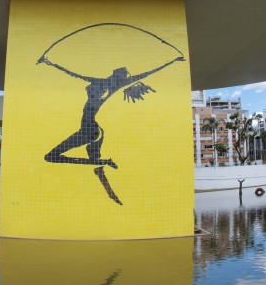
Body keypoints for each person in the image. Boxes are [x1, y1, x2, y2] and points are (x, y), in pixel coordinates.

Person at [38, 54, 184, 205]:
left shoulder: (107, 84)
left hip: (88, 130)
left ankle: (104, 164)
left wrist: (171, 62)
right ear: (116, 75)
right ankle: (111, 192)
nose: (123, 79)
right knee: (95, 165)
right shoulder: (107, 83)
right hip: (94, 130)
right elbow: (73, 74)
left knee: (51, 156)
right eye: (122, 76)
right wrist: (51, 63)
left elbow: (145, 74)